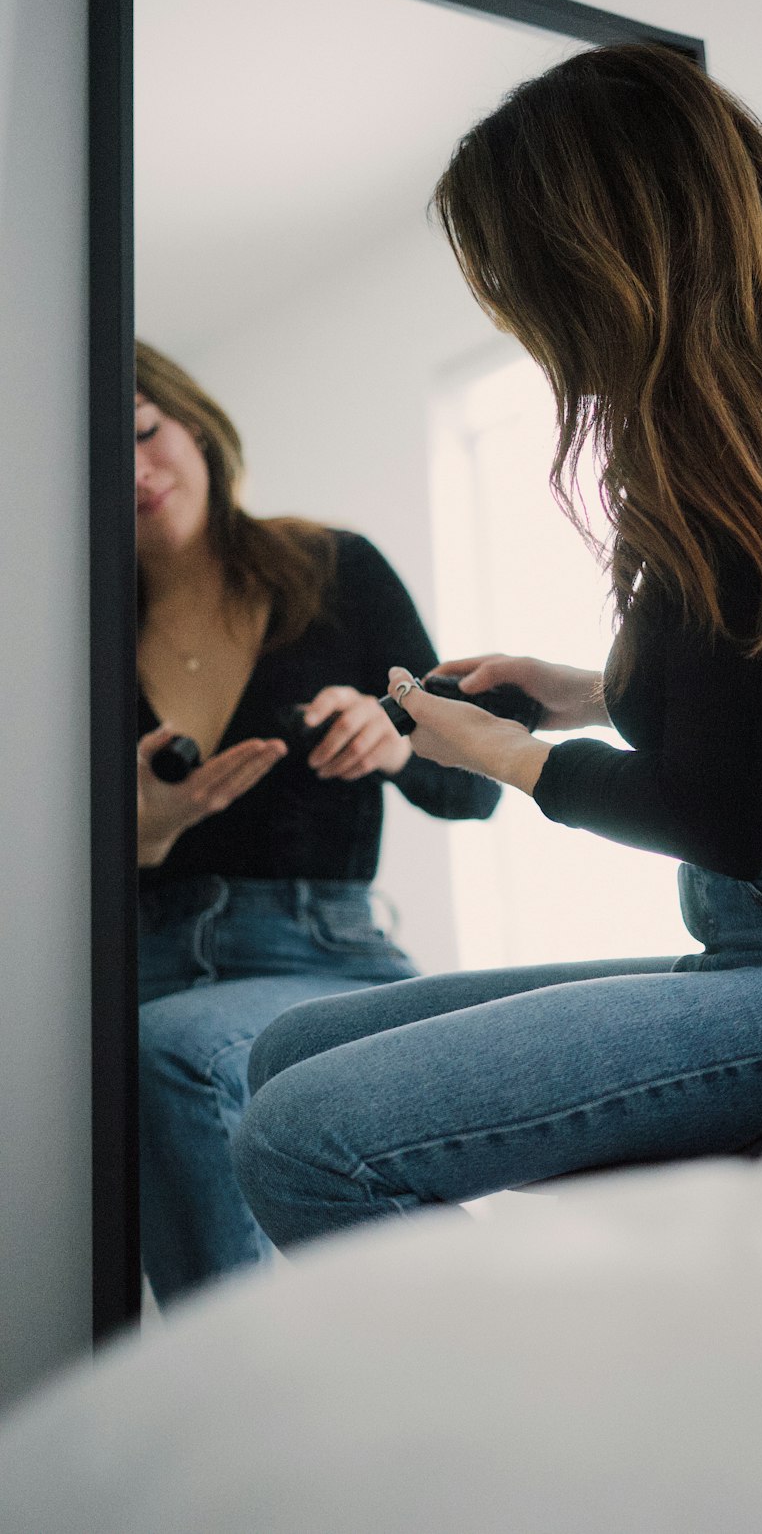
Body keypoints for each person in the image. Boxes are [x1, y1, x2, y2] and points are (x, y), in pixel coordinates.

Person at [232, 42, 762, 1249]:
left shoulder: (749, 446)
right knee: (287, 1049)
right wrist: (574, 694)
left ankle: (499, 1428)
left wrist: (505, 757)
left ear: (594, 257)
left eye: (518, 276)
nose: (524, 316)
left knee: (304, 1137)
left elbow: (722, 816)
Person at [134, 340, 500, 1304]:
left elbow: (479, 786)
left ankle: (494, 1347)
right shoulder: (70, 633)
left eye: (145, 433)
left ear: (196, 426)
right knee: (165, 1052)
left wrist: (398, 741)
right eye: (102, 455)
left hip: (323, 955)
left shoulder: (334, 570)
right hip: (144, 964)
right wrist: (147, 830)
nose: (135, 473)